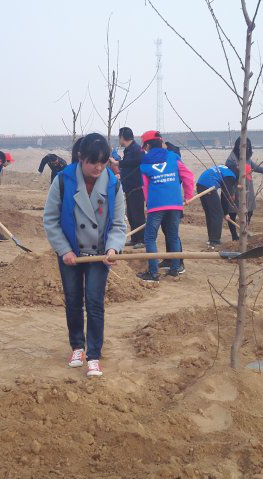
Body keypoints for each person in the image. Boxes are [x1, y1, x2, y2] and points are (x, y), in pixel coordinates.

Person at [43, 132, 127, 377]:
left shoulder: (113, 184)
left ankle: (94, 355)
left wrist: (113, 248)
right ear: (81, 158)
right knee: (73, 300)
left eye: (103, 162)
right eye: (93, 162)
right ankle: (77, 347)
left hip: (99, 255)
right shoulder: (63, 180)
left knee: (94, 302)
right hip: (71, 253)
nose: (98, 167)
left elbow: (119, 224)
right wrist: (64, 250)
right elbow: (50, 220)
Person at [138, 130, 194, 281]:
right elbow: (188, 176)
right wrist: (188, 195)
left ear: (147, 146)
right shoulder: (173, 156)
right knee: (173, 236)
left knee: (150, 238)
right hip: (174, 204)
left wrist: (148, 204)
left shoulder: (144, 162)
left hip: (156, 205)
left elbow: (145, 187)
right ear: (161, 142)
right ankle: (175, 269)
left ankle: (153, 273)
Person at [224, 138, 263, 240]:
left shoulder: (247, 158)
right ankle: (234, 236)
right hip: (235, 189)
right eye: (245, 146)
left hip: (248, 189)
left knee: (249, 212)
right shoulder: (231, 160)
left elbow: (255, 167)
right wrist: (232, 193)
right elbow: (229, 178)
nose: (247, 149)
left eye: (248, 147)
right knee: (232, 213)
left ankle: (244, 232)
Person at [110, 127, 146, 249]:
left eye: (119, 137)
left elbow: (136, 162)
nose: (119, 139)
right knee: (130, 214)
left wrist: (117, 163)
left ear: (122, 137)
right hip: (129, 186)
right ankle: (135, 238)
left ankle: (142, 239)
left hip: (136, 187)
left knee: (138, 214)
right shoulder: (129, 149)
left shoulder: (137, 149)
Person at [196, 165, 237, 249]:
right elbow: (225, 196)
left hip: (200, 184)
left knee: (210, 213)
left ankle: (211, 239)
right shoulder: (231, 177)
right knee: (218, 214)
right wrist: (225, 213)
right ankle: (215, 242)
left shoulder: (225, 170)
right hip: (208, 186)